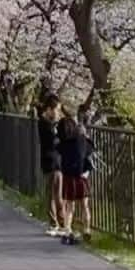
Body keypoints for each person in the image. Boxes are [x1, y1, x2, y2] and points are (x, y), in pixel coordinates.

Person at [58, 112, 94, 244]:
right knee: (85, 205)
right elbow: (89, 160)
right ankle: (87, 229)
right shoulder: (87, 145)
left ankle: (67, 230)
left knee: (69, 206)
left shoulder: (65, 145)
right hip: (82, 177)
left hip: (68, 178)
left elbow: (59, 150)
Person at [37, 93, 65, 236]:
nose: (58, 113)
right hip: (50, 161)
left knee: (57, 194)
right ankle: (56, 223)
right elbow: (53, 140)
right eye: (56, 109)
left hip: (57, 162)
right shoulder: (44, 123)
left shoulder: (53, 123)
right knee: (52, 195)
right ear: (49, 109)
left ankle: (60, 223)